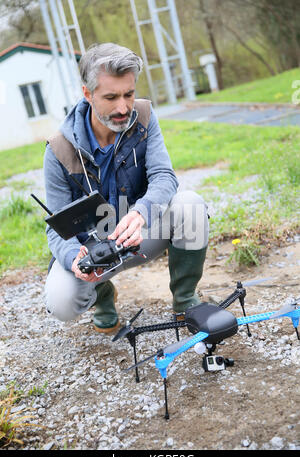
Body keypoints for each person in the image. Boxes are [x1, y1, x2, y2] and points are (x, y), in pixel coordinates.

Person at [44, 42, 209, 334]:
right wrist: (74, 259)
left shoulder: (144, 117)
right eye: (111, 97)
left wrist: (142, 212)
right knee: (61, 302)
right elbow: (56, 228)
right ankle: (103, 294)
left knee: (191, 205)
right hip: (93, 253)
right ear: (87, 93)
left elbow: (164, 176)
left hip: (142, 234)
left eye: (129, 94)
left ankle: (185, 299)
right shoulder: (58, 149)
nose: (123, 108)